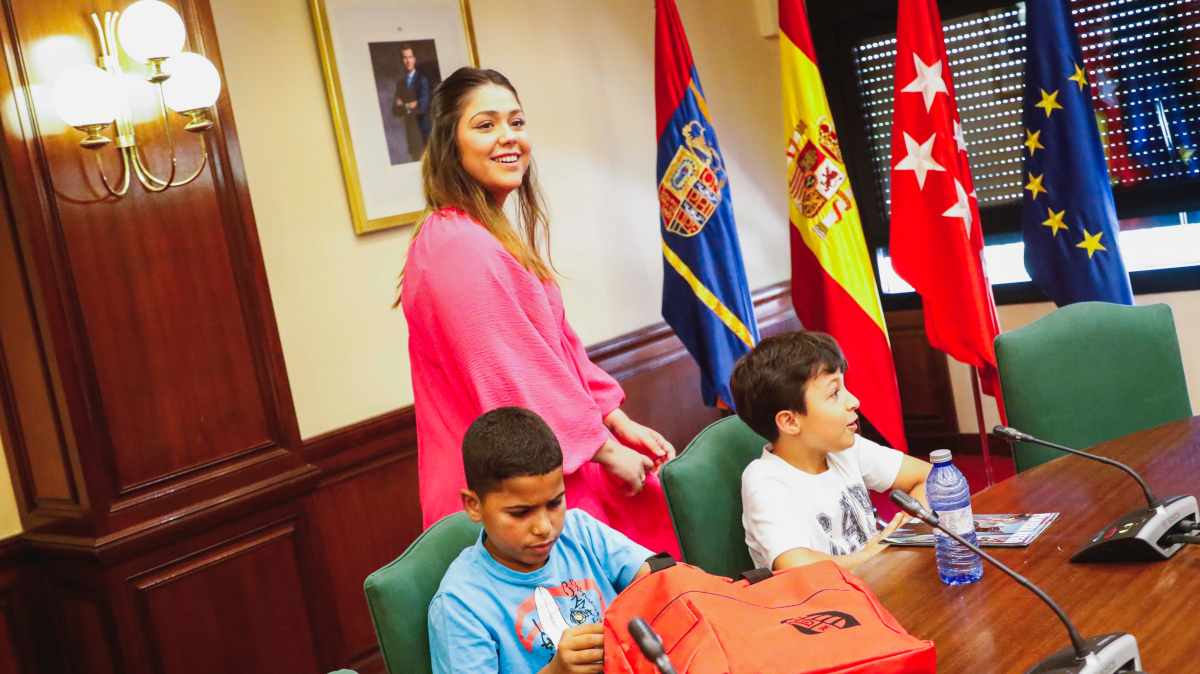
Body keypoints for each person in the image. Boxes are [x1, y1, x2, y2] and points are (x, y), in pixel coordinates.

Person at [399, 67, 681, 557]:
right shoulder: (456, 246)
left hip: (548, 465)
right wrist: (606, 450)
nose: (508, 137)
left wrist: (614, 419)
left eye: (516, 121)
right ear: (450, 145)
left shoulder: (486, 233)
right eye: (485, 125)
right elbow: (514, 379)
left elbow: (559, 346)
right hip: (511, 493)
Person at [428, 407, 653, 673]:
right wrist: (556, 670)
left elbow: (657, 577)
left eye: (555, 503)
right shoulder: (459, 606)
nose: (544, 527)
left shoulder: (580, 530)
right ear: (474, 505)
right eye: (520, 513)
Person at [731, 331, 932, 571]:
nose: (854, 401)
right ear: (790, 422)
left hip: (878, 584)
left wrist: (901, 532)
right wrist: (875, 552)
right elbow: (795, 566)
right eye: (834, 393)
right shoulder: (764, 479)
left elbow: (930, 477)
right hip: (826, 604)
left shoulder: (844, 448)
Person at [393, 45, 431, 159]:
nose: (408, 61)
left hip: (424, 132)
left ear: (414, 59)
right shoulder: (400, 83)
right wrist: (411, 104)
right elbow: (395, 111)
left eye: (410, 57)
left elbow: (423, 107)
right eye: (405, 58)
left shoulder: (422, 80)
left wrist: (404, 105)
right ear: (401, 60)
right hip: (411, 133)